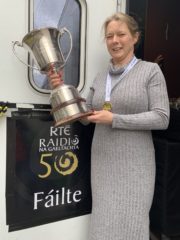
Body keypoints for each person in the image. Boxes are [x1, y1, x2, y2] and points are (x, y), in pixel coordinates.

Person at [48, 12, 170, 240]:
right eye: (109, 36)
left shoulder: (150, 71)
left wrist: (114, 119)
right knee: (103, 224)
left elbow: (162, 118)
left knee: (131, 224)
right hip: (103, 163)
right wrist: (62, 88)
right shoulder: (100, 76)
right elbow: (85, 116)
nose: (115, 41)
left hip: (135, 166)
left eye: (121, 34)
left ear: (135, 37)